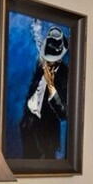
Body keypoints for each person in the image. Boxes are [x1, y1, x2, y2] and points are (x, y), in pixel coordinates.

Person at [17, 23, 69, 158]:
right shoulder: (40, 64)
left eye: (52, 59)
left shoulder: (65, 74)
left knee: (45, 161)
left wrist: (51, 86)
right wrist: (27, 113)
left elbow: (63, 113)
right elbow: (34, 87)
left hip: (47, 131)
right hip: (29, 122)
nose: (49, 61)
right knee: (28, 158)